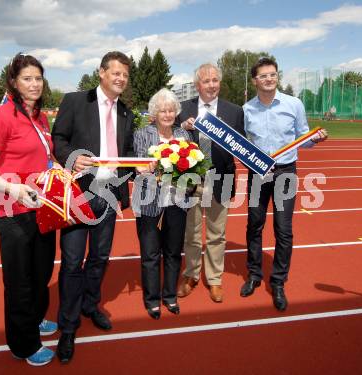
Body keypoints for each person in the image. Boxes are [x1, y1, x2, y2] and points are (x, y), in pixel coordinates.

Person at [52, 51, 134, 363]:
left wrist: (133, 170)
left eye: (125, 75)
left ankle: (90, 304)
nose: (121, 79)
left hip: (109, 194)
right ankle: (68, 327)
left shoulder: (125, 112)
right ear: (101, 72)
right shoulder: (75, 101)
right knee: (73, 263)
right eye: (116, 73)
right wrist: (71, 156)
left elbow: (125, 153)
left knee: (99, 258)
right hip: (77, 195)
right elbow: (58, 138)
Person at [0, 53, 57, 366]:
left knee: (40, 274)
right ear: (13, 81)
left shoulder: (40, 117)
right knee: (19, 282)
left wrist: (57, 168)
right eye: (27, 78)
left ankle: (35, 319)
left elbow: (43, 157)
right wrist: (13, 188)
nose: (34, 84)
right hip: (12, 213)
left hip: (41, 209)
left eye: (38, 78)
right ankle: (23, 345)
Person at [240, 57, 328, 311]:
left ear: (277, 76)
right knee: (254, 225)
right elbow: (241, 141)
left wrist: (316, 138)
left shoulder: (294, 104)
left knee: (283, 229)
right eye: (263, 76)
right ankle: (254, 274)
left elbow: (304, 136)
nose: (269, 79)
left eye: (273, 74)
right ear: (255, 80)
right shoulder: (246, 110)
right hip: (258, 173)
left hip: (285, 172)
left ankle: (278, 282)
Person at [177, 63, 244, 303]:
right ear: (197, 85)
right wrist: (181, 128)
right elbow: (171, 137)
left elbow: (242, 144)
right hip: (191, 179)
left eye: (215, 80)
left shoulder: (234, 111)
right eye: (206, 81)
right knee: (191, 233)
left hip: (221, 178)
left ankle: (214, 279)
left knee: (217, 234)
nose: (211, 85)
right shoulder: (182, 108)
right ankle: (191, 274)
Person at [133, 88, 190, 320]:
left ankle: (170, 296)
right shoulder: (141, 134)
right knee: (150, 252)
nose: (167, 114)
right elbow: (137, 164)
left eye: (171, 110)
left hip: (177, 199)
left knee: (174, 251)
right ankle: (152, 299)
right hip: (148, 198)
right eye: (162, 110)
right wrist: (144, 168)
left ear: (176, 112)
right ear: (154, 113)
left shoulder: (183, 135)